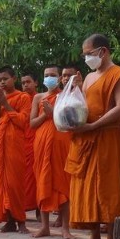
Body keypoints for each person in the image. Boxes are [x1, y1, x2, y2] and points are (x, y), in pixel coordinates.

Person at [64, 34, 120, 239]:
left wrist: (94, 125)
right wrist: (75, 92)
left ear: (102, 51)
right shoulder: (90, 77)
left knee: (107, 190)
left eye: (89, 54)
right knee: (87, 190)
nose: (86, 58)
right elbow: (85, 106)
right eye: (84, 54)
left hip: (107, 137)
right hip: (86, 139)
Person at [30, 64, 76, 239]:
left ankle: (65, 228)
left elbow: (72, 121)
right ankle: (45, 227)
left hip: (61, 142)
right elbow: (32, 123)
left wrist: (54, 112)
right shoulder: (38, 98)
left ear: (59, 78)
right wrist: (46, 114)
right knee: (43, 181)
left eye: (53, 75)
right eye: (46, 75)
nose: (49, 78)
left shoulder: (67, 96)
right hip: (42, 143)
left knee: (63, 184)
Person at [0, 66, 32, 233]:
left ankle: (21, 221)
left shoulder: (23, 97)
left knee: (15, 184)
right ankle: (9, 221)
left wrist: (6, 105)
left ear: (14, 79)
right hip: (0, 146)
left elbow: (22, 122)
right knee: (2, 184)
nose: (2, 82)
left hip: (15, 145)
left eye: (5, 79)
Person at [53, 64, 83, 228]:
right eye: (64, 76)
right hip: (60, 142)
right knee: (62, 180)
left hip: (78, 141)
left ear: (77, 76)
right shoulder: (58, 97)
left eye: (69, 75)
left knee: (76, 180)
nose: (66, 78)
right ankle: (62, 215)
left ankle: (78, 216)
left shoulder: (83, 94)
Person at [21, 72, 39, 216]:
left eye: (28, 82)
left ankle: (40, 209)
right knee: (23, 178)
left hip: (38, 142)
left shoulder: (41, 98)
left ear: (36, 83)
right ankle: (22, 208)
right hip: (22, 143)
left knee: (38, 176)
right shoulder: (19, 99)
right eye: (23, 83)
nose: (25, 85)